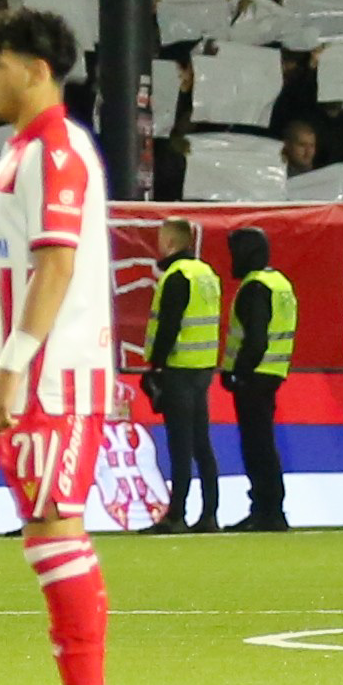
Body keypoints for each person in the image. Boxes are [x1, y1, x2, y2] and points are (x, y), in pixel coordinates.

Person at [0, 7, 128, 685]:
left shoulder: (55, 152)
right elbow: (20, 270)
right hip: (29, 373)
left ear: (36, 68)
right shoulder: (21, 153)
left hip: (53, 377)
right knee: (45, 532)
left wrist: (16, 370)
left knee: (57, 526)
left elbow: (56, 267)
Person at [138, 219, 225, 531]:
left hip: (179, 367)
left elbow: (169, 326)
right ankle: (210, 513)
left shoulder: (176, 277)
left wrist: (156, 367)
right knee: (201, 442)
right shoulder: (206, 274)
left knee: (180, 444)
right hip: (203, 367)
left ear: (171, 242)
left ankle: (177, 514)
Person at [220, 223, 295, 529]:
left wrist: (237, 373)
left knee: (256, 445)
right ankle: (270, 508)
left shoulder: (255, 286)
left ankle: (266, 510)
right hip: (272, 371)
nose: (232, 259)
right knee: (263, 443)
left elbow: (255, 339)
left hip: (254, 375)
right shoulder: (279, 283)